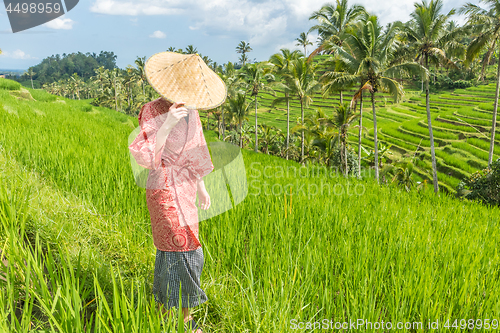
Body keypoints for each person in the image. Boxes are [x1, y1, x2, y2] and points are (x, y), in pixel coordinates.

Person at [128, 52, 227, 333]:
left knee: (177, 250)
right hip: (161, 185)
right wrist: (168, 123)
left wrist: (202, 188)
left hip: (185, 187)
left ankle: (164, 307)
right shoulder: (152, 109)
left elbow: (196, 152)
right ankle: (185, 317)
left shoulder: (192, 112)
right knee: (182, 246)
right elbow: (147, 155)